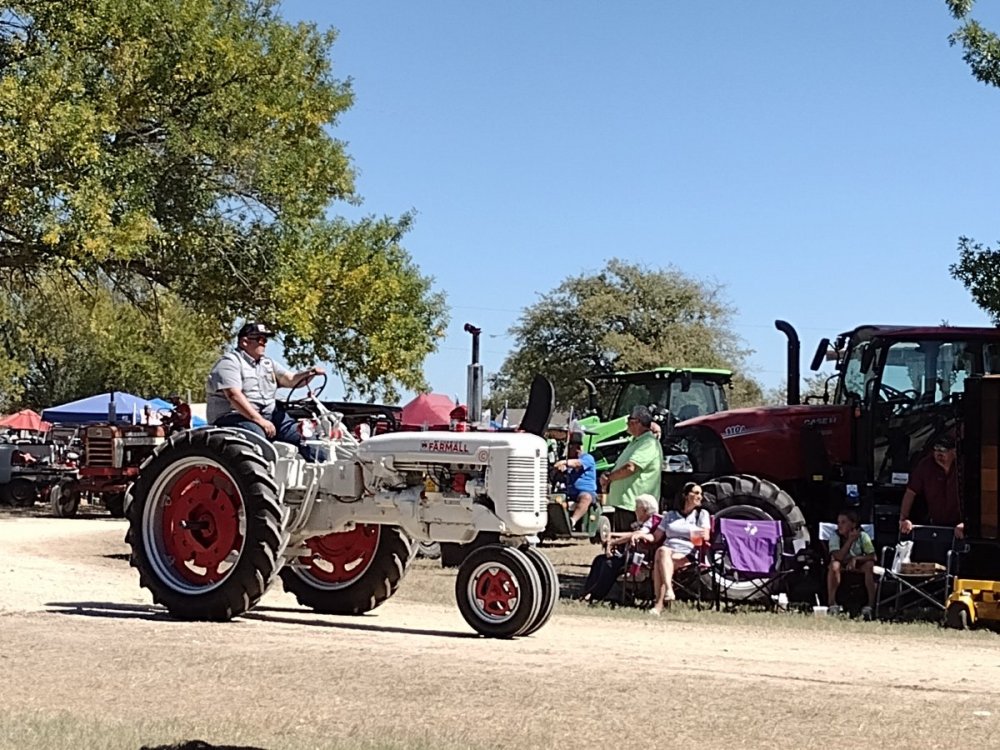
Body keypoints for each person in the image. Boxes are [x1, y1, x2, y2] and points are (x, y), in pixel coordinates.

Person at [205, 322, 325, 456]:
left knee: (306, 437)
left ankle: (322, 469)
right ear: (245, 341)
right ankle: (261, 475)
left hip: (268, 416)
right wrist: (260, 421)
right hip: (233, 418)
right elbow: (234, 396)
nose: (265, 344)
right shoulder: (229, 363)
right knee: (258, 440)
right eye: (260, 340)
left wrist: (309, 374)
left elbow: (291, 380)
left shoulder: (268, 364)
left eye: (265, 340)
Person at [578, 494, 660, 604]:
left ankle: (597, 595)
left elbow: (637, 534)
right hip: (635, 555)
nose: (634, 510)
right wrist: (612, 535)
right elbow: (632, 533)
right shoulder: (645, 522)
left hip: (642, 558)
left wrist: (613, 541)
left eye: (637, 508)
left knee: (609, 563)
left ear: (644, 510)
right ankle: (588, 592)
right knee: (599, 560)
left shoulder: (653, 521)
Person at [648, 482, 711, 615]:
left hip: (687, 553)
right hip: (668, 551)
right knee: (663, 552)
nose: (700, 496)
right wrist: (638, 534)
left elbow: (705, 537)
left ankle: (658, 605)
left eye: (701, 494)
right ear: (686, 495)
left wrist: (701, 535)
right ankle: (669, 590)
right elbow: (655, 537)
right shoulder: (670, 515)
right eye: (696, 493)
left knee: (661, 560)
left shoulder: (701, 515)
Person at [599, 405, 663, 532]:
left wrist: (609, 478)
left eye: (628, 420)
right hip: (625, 504)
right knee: (621, 544)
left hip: (635, 506)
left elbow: (630, 468)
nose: (627, 423)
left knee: (629, 542)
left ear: (637, 422)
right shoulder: (635, 442)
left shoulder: (648, 443)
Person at [899, 435, 964, 538]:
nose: (939, 454)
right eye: (936, 450)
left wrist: (967, 525)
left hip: (960, 526)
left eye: (943, 450)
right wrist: (903, 519)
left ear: (954, 452)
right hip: (936, 524)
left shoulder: (964, 466)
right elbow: (911, 492)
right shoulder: (926, 465)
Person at [827, 509, 876, 619]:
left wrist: (856, 559)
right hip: (842, 564)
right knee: (834, 565)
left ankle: (870, 605)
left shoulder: (863, 536)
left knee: (870, 566)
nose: (840, 526)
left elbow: (873, 556)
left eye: (843, 522)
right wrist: (850, 541)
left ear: (853, 524)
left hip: (858, 565)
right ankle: (832, 603)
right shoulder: (835, 536)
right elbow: (838, 556)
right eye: (838, 522)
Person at [552, 432, 598, 529]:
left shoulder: (587, 458)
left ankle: (572, 521)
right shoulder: (568, 460)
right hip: (568, 492)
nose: (567, 450)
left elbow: (577, 464)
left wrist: (564, 462)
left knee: (586, 497)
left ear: (577, 448)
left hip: (585, 491)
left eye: (570, 447)